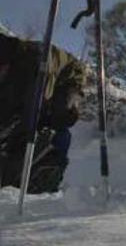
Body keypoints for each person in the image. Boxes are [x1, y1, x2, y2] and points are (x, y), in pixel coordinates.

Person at [0, 32, 85, 193]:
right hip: (26, 76)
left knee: (56, 120)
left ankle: (48, 178)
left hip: (67, 77)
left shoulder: (33, 65)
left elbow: (29, 116)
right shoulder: (9, 71)